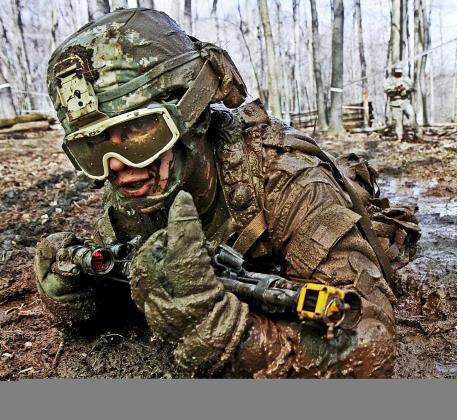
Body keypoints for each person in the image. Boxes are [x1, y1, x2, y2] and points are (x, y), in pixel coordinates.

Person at [35, 9, 418, 378]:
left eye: (137, 131)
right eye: (93, 145)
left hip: (316, 207)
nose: (116, 165)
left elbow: (370, 343)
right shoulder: (134, 186)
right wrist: (73, 296)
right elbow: (115, 300)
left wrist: (231, 337)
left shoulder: (286, 177)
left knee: (359, 195)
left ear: (194, 116)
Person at [384, 66, 416, 141]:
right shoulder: (389, 80)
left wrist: (405, 88)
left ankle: (415, 131)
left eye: (400, 72)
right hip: (395, 103)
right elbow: (386, 89)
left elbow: (412, 87)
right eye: (397, 72)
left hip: (405, 101)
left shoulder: (406, 79)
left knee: (411, 115)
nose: (398, 73)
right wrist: (395, 89)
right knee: (397, 121)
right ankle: (399, 137)